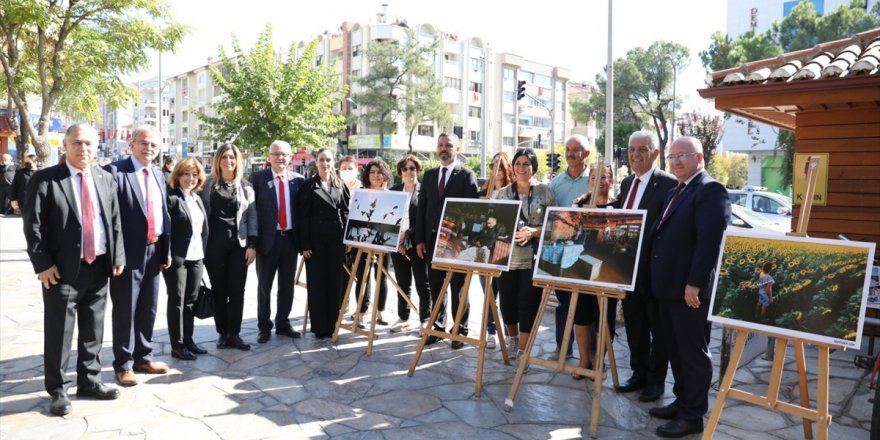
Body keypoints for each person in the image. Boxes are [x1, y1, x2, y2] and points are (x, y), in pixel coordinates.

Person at [23, 124, 126, 416]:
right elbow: (33, 226)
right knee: (60, 332)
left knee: (93, 329)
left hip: (99, 266)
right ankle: (57, 390)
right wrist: (42, 264)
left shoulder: (106, 178)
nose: (84, 149)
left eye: (89, 144)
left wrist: (117, 254)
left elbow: (114, 220)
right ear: (65, 146)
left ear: (96, 147)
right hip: (62, 271)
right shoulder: (46, 180)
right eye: (77, 143)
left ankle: (90, 381)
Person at [648, 136, 730, 438]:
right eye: (672, 157)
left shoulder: (710, 190)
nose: (676, 161)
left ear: (700, 157)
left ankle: (692, 416)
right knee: (676, 350)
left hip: (689, 292)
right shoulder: (676, 190)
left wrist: (695, 284)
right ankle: (682, 402)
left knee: (693, 354)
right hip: (668, 289)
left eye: (683, 155)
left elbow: (709, 242)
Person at [105, 125, 172, 387]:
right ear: (131, 144)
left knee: (148, 307)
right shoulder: (115, 172)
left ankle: (144, 356)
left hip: (154, 251)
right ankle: (123, 364)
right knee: (125, 309)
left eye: (154, 145)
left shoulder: (157, 174)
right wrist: (116, 254)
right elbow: (111, 217)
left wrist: (165, 250)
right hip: (128, 254)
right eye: (143, 143)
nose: (149, 148)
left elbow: (163, 214)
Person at [615, 130, 678, 402]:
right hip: (627, 268)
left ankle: (656, 381)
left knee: (658, 328)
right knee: (634, 324)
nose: (635, 154)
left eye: (642, 149)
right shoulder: (627, 183)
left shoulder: (668, 184)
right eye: (631, 149)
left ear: (655, 153)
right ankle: (638, 372)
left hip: (654, 270)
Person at [415, 133, 479, 348]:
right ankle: (438, 328)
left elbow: (472, 212)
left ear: (457, 149)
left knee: (458, 287)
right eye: (441, 145)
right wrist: (420, 240)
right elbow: (422, 209)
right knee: (436, 286)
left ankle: (460, 330)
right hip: (432, 240)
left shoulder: (466, 176)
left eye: (449, 145)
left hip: (456, 242)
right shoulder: (430, 175)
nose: (444, 149)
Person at [491, 148, 555, 359]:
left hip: (533, 258)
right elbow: (491, 224)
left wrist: (535, 231)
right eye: (518, 163)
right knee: (507, 303)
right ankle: (513, 340)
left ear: (533, 167)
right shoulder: (501, 194)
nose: (521, 167)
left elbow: (556, 226)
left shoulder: (545, 192)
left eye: (526, 163)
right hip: (505, 257)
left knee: (528, 304)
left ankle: (523, 352)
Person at [201, 143, 256, 350]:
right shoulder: (207, 185)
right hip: (213, 247)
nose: (228, 161)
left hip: (238, 247)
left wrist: (252, 244)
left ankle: (235, 333)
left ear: (237, 161)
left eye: (232, 157)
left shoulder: (245, 187)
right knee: (218, 291)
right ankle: (222, 333)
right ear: (218, 160)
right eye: (224, 157)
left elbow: (252, 217)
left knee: (236, 290)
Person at [251, 140, 304, 343]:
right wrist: (253, 243)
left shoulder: (298, 180)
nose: (280, 158)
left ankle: (283, 322)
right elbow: (252, 212)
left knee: (286, 285)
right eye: (276, 154)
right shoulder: (258, 179)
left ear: (290, 157)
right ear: (269, 157)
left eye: (284, 154)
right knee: (264, 285)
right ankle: (264, 326)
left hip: (289, 240)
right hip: (267, 241)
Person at [297, 148, 350, 345]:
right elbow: (303, 216)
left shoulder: (339, 184)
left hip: (336, 240)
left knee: (335, 283)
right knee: (317, 284)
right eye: (321, 160)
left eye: (328, 160)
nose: (325, 163)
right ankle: (320, 327)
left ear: (333, 162)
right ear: (316, 162)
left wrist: (348, 240)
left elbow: (345, 212)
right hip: (315, 242)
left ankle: (333, 323)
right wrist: (304, 244)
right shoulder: (309, 186)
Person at [549, 135, 593, 358]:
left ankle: (590, 355)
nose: (571, 153)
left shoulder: (593, 180)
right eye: (568, 149)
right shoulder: (555, 184)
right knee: (564, 302)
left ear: (587, 154)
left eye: (577, 149)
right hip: (563, 251)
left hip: (589, 252)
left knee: (588, 306)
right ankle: (563, 347)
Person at [162, 158, 209, 361]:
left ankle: (188, 340)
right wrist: (167, 253)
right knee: (177, 301)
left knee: (191, 301)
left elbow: (202, 230)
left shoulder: (196, 198)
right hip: (177, 258)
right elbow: (166, 230)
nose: (190, 178)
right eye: (186, 174)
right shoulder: (172, 198)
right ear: (178, 176)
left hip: (196, 256)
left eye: (194, 174)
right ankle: (177, 345)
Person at [389, 155, 431, 334]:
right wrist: (397, 238)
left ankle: (425, 319)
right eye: (405, 169)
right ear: (400, 172)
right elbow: (389, 216)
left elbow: (426, 219)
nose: (409, 172)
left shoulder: (424, 191)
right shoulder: (394, 191)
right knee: (402, 281)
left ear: (417, 170)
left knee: (423, 282)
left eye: (412, 168)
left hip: (417, 243)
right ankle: (404, 317)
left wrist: (408, 235)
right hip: (396, 244)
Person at [479, 152, 514, 349]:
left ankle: (511, 334)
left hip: (507, 251)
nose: (497, 170)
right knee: (489, 294)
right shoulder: (483, 193)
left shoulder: (513, 192)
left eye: (500, 166)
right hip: (485, 251)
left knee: (507, 296)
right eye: (493, 166)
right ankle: (490, 331)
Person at [354, 159, 393, 326]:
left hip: (384, 241)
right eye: (372, 172)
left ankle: (380, 312)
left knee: (381, 278)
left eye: (379, 172)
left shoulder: (392, 196)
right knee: (362, 277)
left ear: (385, 174)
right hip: (362, 241)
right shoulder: (360, 193)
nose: (376, 175)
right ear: (367, 175)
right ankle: (361, 312)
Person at [338, 155, 361, 317]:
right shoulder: (335, 187)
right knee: (343, 274)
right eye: (344, 168)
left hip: (360, 238)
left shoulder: (363, 188)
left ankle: (361, 310)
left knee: (361, 275)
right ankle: (342, 305)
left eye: (350, 168)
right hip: (340, 237)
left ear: (357, 170)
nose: (347, 171)